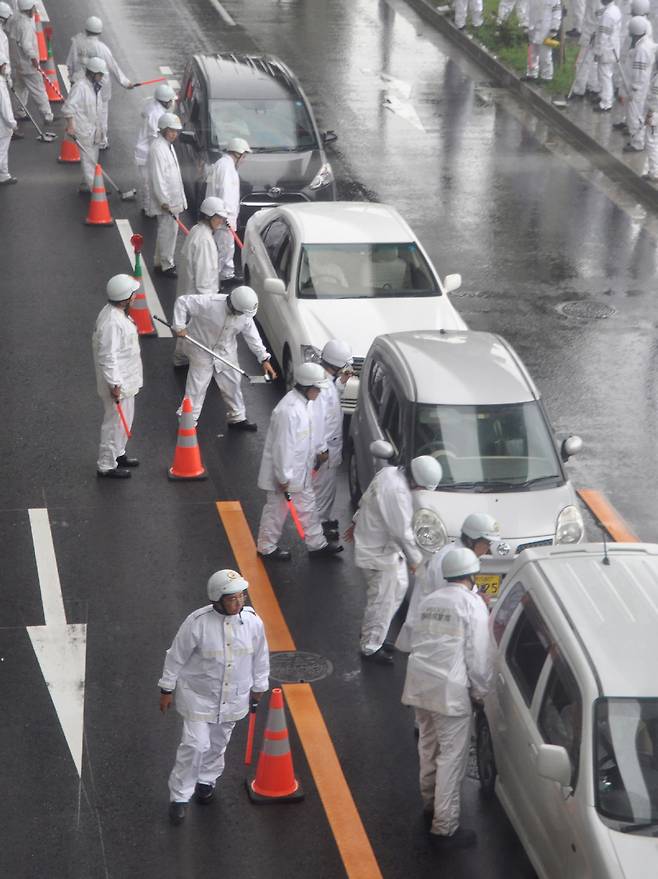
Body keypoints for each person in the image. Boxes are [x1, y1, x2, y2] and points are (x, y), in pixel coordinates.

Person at [159, 569, 269, 826]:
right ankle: (180, 796)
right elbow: (176, 656)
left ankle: (207, 780)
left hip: (234, 698)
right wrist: (166, 689)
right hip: (198, 697)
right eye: (232, 598)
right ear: (217, 599)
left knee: (219, 743)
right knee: (195, 745)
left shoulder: (253, 622)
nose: (238, 602)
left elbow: (260, 656)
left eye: (241, 596)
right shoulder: (197, 623)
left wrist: (259, 685)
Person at [401, 547, 492, 849]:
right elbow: (478, 657)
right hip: (450, 693)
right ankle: (445, 826)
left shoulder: (430, 600)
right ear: (471, 575)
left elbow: (416, 639)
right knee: (452, 758)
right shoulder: (472, 604)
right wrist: (480, 693)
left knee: (428, 747)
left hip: (419, 685)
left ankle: (429, 803)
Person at [345, 455, 443, 665]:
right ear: (416, 480)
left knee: (399, 587)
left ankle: (375, 633)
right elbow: (402, 533)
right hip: (378, 553)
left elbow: (367, 499)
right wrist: (417, 562)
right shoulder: (398, 493)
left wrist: (355, 521)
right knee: (382, 599)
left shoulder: (388, 473)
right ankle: (370, 646)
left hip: (384, 548)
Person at [256, 362, 343, 561]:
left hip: (300, 471)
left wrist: (320, 449)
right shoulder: (288, 411)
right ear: (307, 387)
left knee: (308, 507)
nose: (319, 392)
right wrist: (283, 478)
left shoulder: (305, 404)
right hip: (286, 475)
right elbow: (282, 447)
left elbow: (313, 431)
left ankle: (317, 544)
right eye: (317, 388)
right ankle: (266, 547)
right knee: (276, 511)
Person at [172, 285, 276, 428]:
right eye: (240, 312)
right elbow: (182, 301)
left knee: (232, 383)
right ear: (233, 305)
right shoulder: (209, 303)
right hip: (201, 347)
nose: (242, 316)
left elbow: (253, 337)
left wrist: (264, 359)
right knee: (198, 386)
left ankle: (237, 418)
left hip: (225, 350)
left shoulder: (245, 315)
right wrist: (179, 326)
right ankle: (187, 421)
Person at [396, 512, 500, 652]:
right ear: (472, 540)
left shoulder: (462, 556)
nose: (488, 550)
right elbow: (451, 599)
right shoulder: (450, 559)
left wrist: (478, 596)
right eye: (486, 544)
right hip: (431, 634)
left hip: (438, 632)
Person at [92, 274, 142, 479]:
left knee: (124, 421)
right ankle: (106, 465)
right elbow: (107, 356)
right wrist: (115, 384)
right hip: (119, 383)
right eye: (132, 294)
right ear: (124, 299)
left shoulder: (116, 313)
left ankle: (118, 453)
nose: (135, 297)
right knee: (115, 424)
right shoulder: (112, 323)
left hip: (126, 380)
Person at [172, 195, 226, 367]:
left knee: (189, 329)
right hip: (200, 296)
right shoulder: (204, 241)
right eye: (218, 217)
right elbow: (204, 278)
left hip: (189, 293)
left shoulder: (197, 231)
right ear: (209, 216)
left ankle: (180, 358)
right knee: (198, 332)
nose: (221, 221)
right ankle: (187, 360)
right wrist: (209, 304)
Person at [66, 16, 134, 149]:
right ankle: (101, 140)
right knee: (101, 114)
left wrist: (71, 78)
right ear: (99, 31)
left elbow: (70, 63)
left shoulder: (76, 43)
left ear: (86, 29)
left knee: (81, 113)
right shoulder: (102, 48)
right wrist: (126, 83)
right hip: (100, 88)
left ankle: (80, 137)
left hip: (80, 83)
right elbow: (113, 66)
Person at [311, 339, 353, 542]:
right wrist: (321, 451)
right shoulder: (323, 388)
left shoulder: (326, 382)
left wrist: (342, 383)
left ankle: (323, 520)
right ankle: (318, 532)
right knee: (321, 490)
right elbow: (317, 422)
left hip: (329, 448)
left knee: (327, 490)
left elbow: (333, 394)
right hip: (325, 449)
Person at [205, 137, 251, 282]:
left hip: (222, 215)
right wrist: (225, 217)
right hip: (223, 217)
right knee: (223, 248)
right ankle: (218, 279)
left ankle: (226, 274)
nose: (244, 160)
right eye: (244, 157)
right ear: (238, 154)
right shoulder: (226, 168)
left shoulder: (225, 165)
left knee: (226, 248)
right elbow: (225, 193)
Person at [148, 112, 187, 278]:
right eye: (171, 130)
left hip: (172, 199)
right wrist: (163, 200)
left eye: (176, 131)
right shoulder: (158, 148)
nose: (174, 134)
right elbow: (158, 177)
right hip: (167, 201)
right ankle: (167, 264)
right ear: (163, 129)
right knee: (168, 233)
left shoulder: (167, 146)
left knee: (166, 231)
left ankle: (160, 261)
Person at [62, 56, 106, 193]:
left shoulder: (96, 87)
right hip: (83, 130)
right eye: (100, 74)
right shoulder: (80, 87)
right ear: (92, 73)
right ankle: (96, 191)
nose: (102, 77)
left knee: (93, 158)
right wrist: (71, 126)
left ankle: (86, 185)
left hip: (94, 129)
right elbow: (68, 108)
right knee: (89, 162)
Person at [7, 0, 53, 126]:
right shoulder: (25, 25)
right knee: (39, 89)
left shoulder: (15, 19)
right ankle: (48, 115)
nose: (35, 10)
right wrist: (34, 60)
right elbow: (27, 46)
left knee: (20, 88)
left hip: (17, 63)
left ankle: (19, 112)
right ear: (28, 8)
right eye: (33, 8)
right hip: (28, 65)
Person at [134, 83, 175, 216]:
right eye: (171, 100)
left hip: (146, 152)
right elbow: (155, 136)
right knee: (149, 182)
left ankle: (148, 208)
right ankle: (148, 210)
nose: (172, 103)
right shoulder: (156, 114)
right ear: (165, 101)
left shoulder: (153, 108)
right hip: (147, 153)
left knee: (149, 181)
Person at [621, 16, 654, 150]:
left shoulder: (641, 50)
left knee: (634, 114)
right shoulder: (646, 44)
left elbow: (640, 73)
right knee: (636, 113)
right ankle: (637, 138)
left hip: (637, 88)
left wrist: (634, 88)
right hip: (640, 87)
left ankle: (637, 143)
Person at [569, 0, 603, 99]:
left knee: (582, 62)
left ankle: (579, 89)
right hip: (591, 32)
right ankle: (592, 87)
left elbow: (598, 18)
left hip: (591, 34)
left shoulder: (597, 3)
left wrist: (594, 33)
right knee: (592, 62)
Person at [594, 0, 622, 111]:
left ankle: (606, 103)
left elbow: (603, 37)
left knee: (604, 76)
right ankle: (604, 96)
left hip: (606, 50)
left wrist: (598, 52)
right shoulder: (615, 9)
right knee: (607, 74)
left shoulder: (607, 15)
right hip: (613, 48)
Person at [524, 0, 562, 81]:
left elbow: (557, 12)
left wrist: (554, 27)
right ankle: (531, 73)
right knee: (532, 53)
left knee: (545, 55)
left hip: (546, 30)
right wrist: (525, 24)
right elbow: (527, 9)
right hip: (533, 28)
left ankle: (546, 76)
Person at [0, 51, 16, 183]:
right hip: (2, 126)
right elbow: (5, 108)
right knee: (1, 150)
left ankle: (4, 174)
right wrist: (12, 123)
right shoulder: (0, 84)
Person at [642, 56, 658, 180]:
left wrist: (650, 113)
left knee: (651, 142)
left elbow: (655, 98)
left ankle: (654, 172)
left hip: (655, 114)